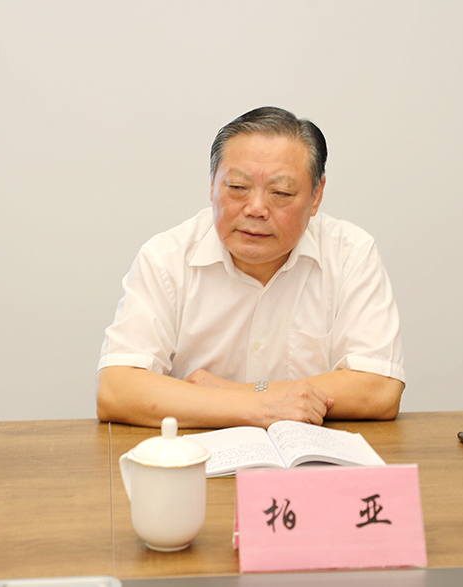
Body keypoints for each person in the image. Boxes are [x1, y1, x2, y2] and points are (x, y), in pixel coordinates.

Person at [97, 107, 405, 429]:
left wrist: (233, 393)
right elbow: (116, 389)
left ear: (316, 196)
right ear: (213, 185)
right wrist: (260, 407)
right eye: (237, 187)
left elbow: (380, 389)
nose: (256, 209)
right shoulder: (166, 258)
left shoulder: (350, 254)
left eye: (281, 193)